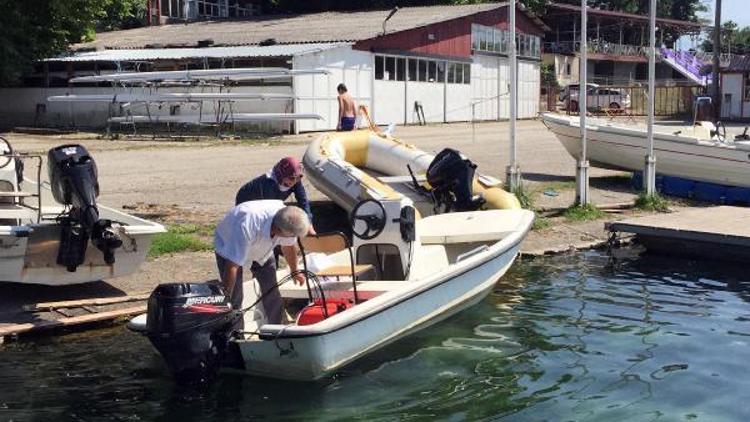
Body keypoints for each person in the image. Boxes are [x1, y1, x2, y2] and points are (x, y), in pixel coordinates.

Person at [214, 201, 310, 326]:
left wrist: (294, 271)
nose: (293, 238)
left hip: (262, 250)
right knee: (235, 298)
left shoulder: (290, 218)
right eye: (291, 235)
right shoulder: (247, 224)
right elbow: (232, 266)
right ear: (277, 230)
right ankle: (236, 335)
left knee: (272, 290)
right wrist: (225, 299)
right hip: (229, 244)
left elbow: (289, 246)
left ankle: (278, 327)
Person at [235, 156, 315, 234]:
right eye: (291, 178)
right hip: (246, 201)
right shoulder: (268, 184)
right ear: (281, 175)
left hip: (268, 202)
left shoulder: (295, 180)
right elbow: (268, 211)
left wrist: (309, 223)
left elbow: (303, 201)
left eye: (299, 177)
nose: (294, 181)